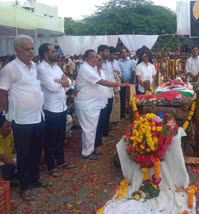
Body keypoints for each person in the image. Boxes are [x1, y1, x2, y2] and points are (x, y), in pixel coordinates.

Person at [0, 35, 52, 201]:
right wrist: (9, 115)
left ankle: (36, 178)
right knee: (24, 153)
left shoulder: (34, 66)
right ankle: (25, 185)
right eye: (28, 49)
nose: (32, 52)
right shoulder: (10, 68)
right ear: (17, 50)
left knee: (37, 150)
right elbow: (2, 92)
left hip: (38, 116)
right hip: (22, 120)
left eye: (32, 48)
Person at [75, 49, 129, 160]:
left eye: (96, 57)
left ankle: (91, 149)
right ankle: (86, 153)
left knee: (92, 128)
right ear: (86, 59)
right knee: (89, 129)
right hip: (87, 104)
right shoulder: (86, 69)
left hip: (93, 103)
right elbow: (102, 82)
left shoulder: (92, 68)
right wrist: (119, 84)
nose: (95, 59)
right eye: (93, 57)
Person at [37, 43, 76, 178]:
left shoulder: (56, 67)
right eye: (53, 51)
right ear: (46, 54)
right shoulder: (41, 68)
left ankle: (61, 161)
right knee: (50, 139)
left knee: (61, 135)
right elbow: (52, 87)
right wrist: (63, 82)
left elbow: (70, 82)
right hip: (50, 109)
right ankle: (51, 166)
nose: (56, 53)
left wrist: (62, 82)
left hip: (62, 106)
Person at [0, 114, 17, 181]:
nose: (10, 128)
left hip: (12, 159)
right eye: (7, 127)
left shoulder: (10, 133)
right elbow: (4, 158)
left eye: (10, 125)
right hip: (3, 163)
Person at [118, 48, 134, 119]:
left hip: (130, 83)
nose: (124, 54)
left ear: (127, 53)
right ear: (120, 54)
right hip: (122, 83)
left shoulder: (131, 62)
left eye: (125, 52)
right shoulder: (118, 62)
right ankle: (122, 114)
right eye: (122, 52)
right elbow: (118, 74)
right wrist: (124, 81)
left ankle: (131, 112)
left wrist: (130, 81)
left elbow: (133, 72)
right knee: (122, 98)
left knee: (131, 98)